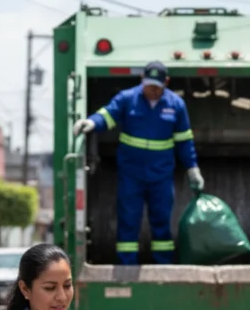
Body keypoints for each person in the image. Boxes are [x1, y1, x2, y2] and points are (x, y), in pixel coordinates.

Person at [72, 60, 203, 265]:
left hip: (161, 175)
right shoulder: (127, 99)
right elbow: (108, 115)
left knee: (161, 222)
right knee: (128, 221)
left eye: (156, 87)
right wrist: (91, 122)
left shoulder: (176, 105)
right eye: (148, 85)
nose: (152, 90)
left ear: (166, 83)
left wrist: (192, 168)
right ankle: (126, 267)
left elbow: (184, 141)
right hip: (131, 174)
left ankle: (164, 267)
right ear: (142, 80)